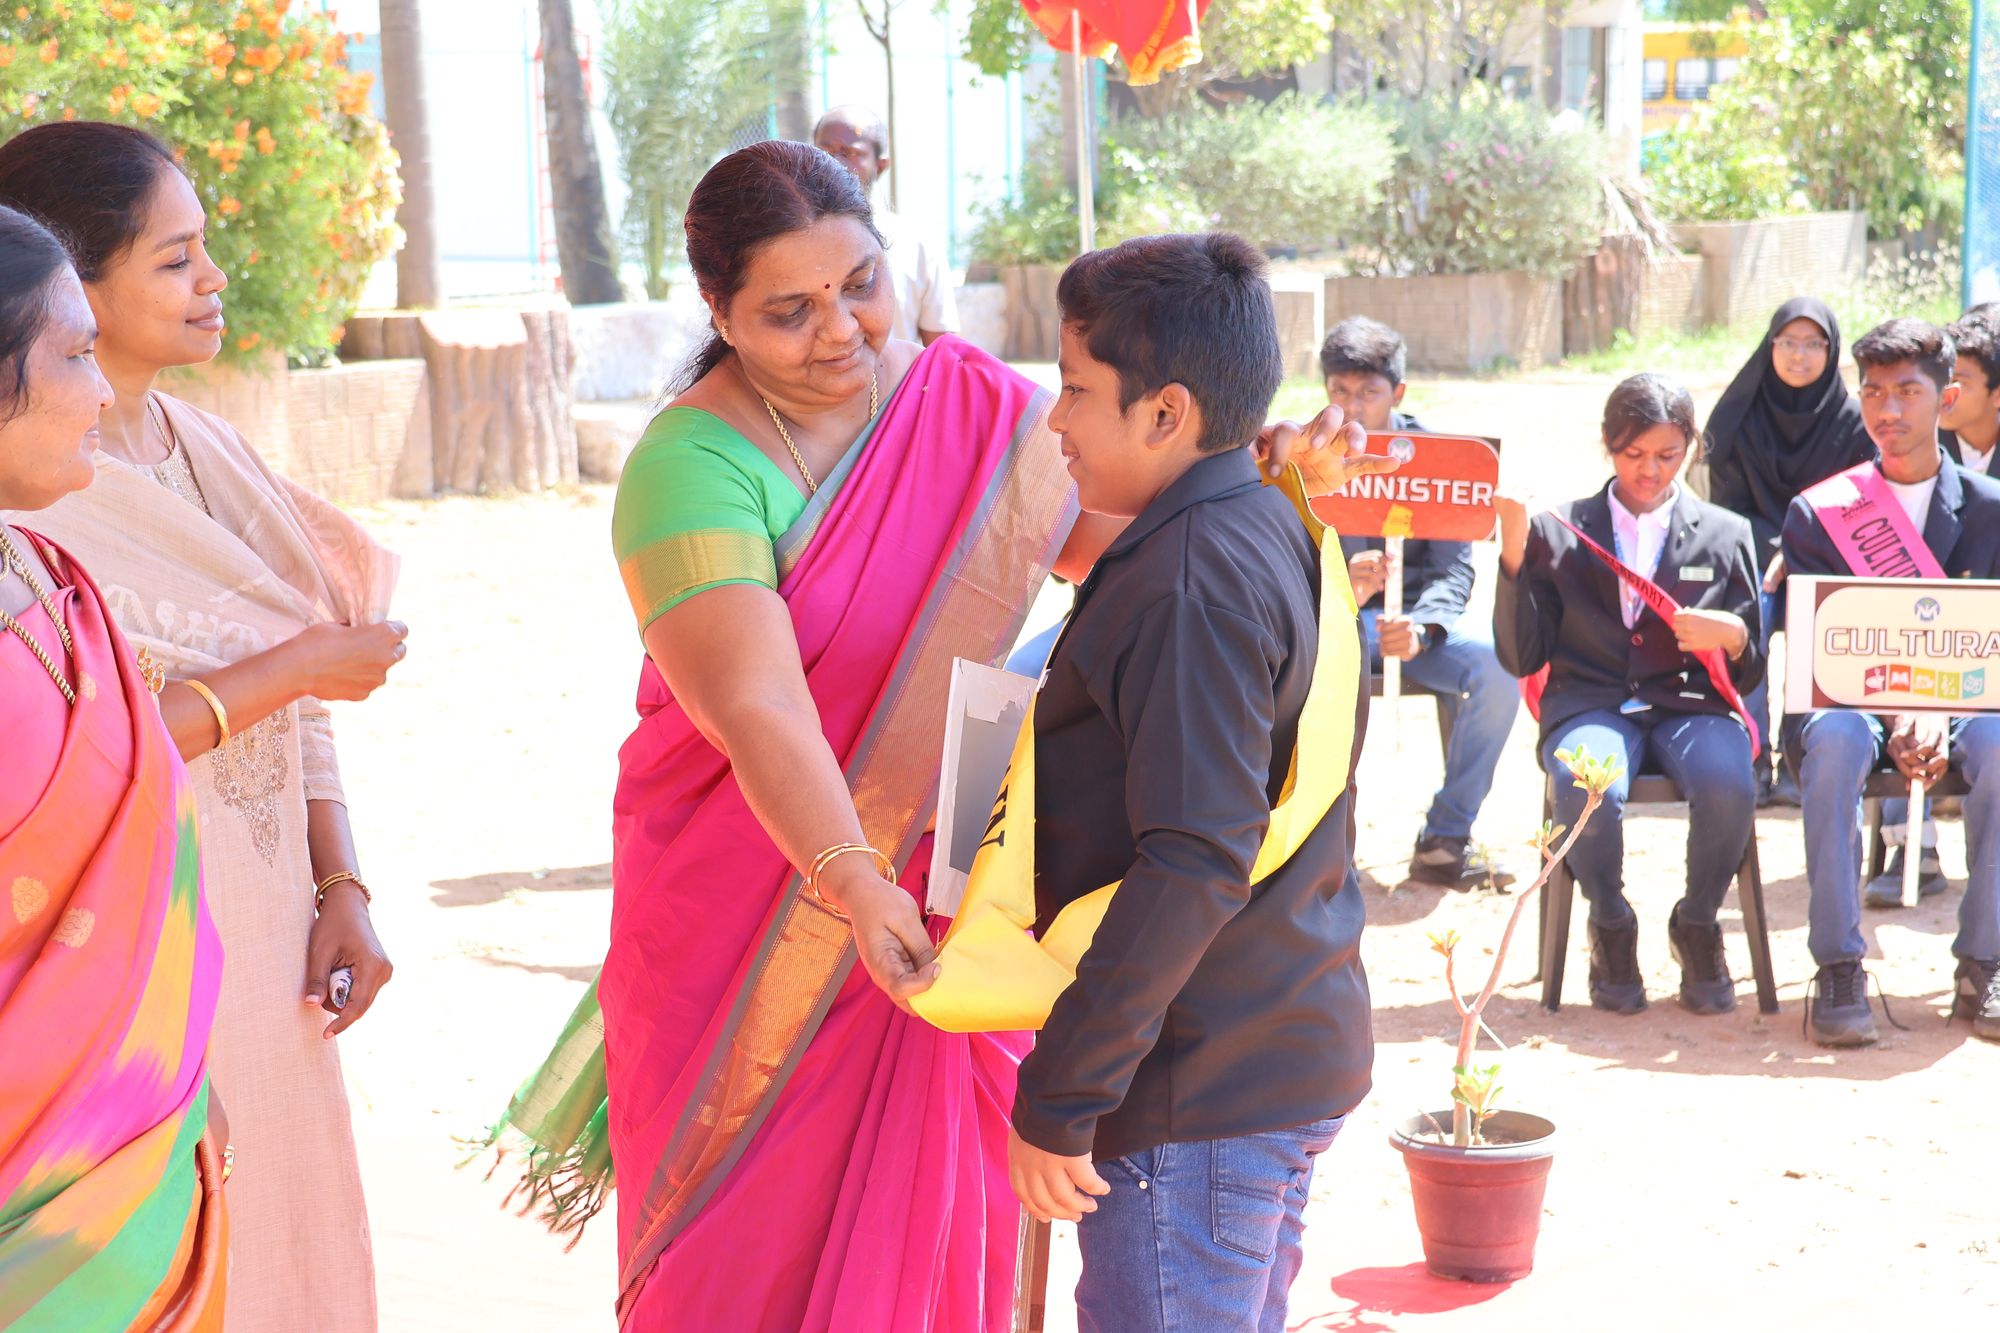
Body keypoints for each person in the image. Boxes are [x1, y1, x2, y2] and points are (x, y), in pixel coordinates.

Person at [485, 142, 1375, 1330]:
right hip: (759, 909)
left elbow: (1134, 541)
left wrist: (1245, 477)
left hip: (948, 924)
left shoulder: (965, 405)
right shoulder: (688, 466)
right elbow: (755, 707)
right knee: (741, 1260)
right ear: (718, 311)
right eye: (788, 311)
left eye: (859, 283)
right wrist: (851, 881)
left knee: (932, 1242)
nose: (841, 329)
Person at [0, 122, 405, 1329]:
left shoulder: (203, 448)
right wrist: (291, 668)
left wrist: (342, 878)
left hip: (268, 920)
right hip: (124, 938)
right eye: (175, 260)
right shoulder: (43, 503)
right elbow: (78, 762)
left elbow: (301, 667)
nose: (213, 280)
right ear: (70, 282)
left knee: (284, 1239)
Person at [1003, 234, 1373, 1333]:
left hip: (1196, 1089)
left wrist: (1062, 1092)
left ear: (1165, 412)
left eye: (1077, 390)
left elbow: (1197, 854)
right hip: (1264, 1039)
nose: (1056, 421)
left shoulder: (1186, 577)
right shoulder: (1263, 516)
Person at [0, 204, 228, 1329]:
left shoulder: (56, 580)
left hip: (135, 1158)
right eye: (75, 356)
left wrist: (184, 1080)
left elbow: (145, 886)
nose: (102, 393)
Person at [1492, 374, 1763, 1015]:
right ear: (1608, 445)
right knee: (1586, 783)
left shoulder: (1727, 533)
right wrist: (1512, 553)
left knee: (1729, 781)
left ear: (1693, 447)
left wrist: (1732, 636)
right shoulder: (1560, 529)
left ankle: (1698, 923)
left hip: (1692, 704)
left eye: (1668, 454)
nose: (1650, 470)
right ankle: (1610, 924)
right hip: (1590, 702)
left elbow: (1750, 670)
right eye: (1632, 453)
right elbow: (1521, 656)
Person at [1782, 318, 2000, 1047]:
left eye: (1908, 391)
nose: (1889, 410)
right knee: (1835, 742)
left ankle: (1986, 960)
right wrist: (1903, 706)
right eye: (1874, 392)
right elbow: (1822, 651)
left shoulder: (1992, 511)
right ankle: (1839, 965)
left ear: (1947, 399)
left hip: (1968, 702)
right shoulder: (1821, 513)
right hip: (1853, 701)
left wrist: (1937, 703)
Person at [1321, 316, 1520, 889]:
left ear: (1398, 393)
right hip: (1331, 625)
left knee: (1495, 665)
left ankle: (1446, 839)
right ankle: (1319, 851)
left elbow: (1454, 570)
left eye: (1368, 392)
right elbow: (1280, 568)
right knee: (1291, 670)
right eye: (1339, 391)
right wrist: (1341, 588)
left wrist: (1423, 628)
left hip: (1416, 627)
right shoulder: (1306, 460)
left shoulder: (1438, 459)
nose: (1353, 406)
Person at [1704, 298, 1876, 808]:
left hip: (1826, 558)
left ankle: (1799, 763)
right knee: (1749, 614)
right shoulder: (1739, 417)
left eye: (1812, 344)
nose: (1799, 355)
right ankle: (1751, 756)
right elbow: (1726, 507)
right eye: (1788, 343)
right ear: (1770, 345)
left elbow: (1859, 505)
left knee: (1815, 612)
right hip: (1753, 554)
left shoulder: (1853, 422)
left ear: (1831, 350)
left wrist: (1799, 551)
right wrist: (1778, 549)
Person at [813, 105, 958, 346]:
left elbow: (941, 349)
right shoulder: (790, 239)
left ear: (880, 166)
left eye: (849, 152)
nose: (833, 161)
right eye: (823, 151)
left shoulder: (919, 245)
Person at [1942, 306, 2000, 476]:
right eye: (1941, 380)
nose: (1945, 392)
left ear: (1997, 395)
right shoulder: (1919, 446)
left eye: (1958, 382)